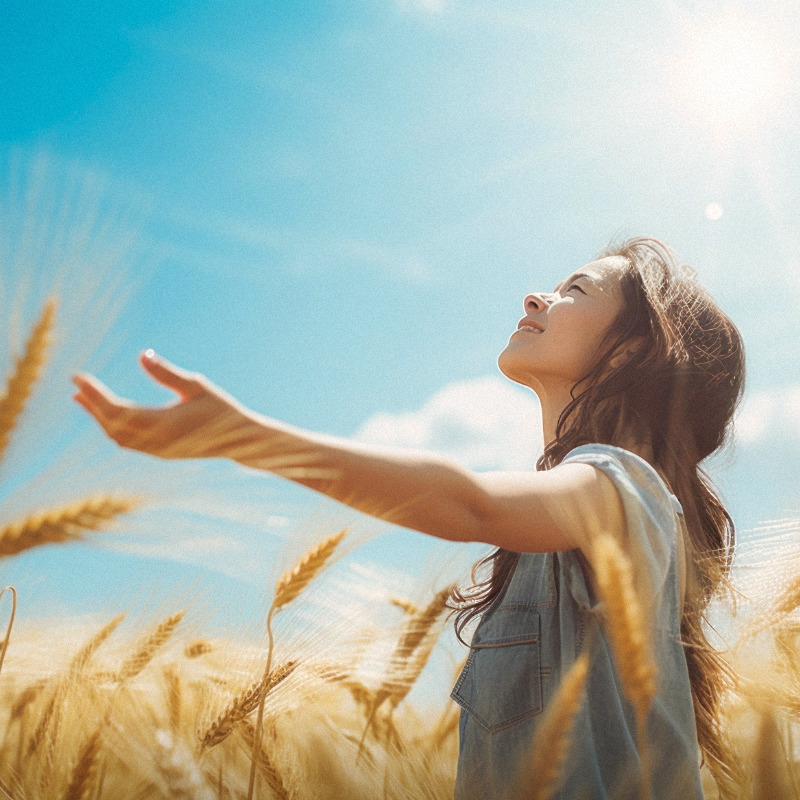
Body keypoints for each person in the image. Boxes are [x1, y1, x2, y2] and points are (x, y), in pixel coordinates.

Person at [72, 236, 744, 799]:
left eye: (576, 289)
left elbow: (469, 504)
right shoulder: (552, 531)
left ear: (629, 352)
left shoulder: (630, 492)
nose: (536, 297)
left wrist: (243, 437)